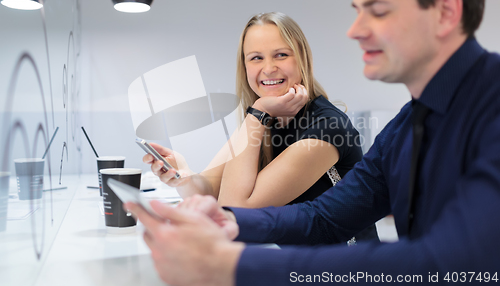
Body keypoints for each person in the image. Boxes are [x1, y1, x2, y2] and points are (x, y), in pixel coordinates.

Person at [126, 0, 500, 285]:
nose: (354, 31)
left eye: (379, 11)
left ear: (446, 12)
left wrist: (234, 265)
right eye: (357, 12)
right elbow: (324, 216)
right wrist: (231, 220)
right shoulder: (407, 125)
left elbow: (456, 263)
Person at [144, 12, 378, 241]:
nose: (268, 68)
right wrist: (183, 176)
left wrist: (258, 112)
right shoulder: (264, 120)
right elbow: (207, 191)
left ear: (302, 59)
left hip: (344, 270)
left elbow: (234, 211)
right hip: (301, 265)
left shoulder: (326, 128)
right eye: (256, 57)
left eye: (281, 55)